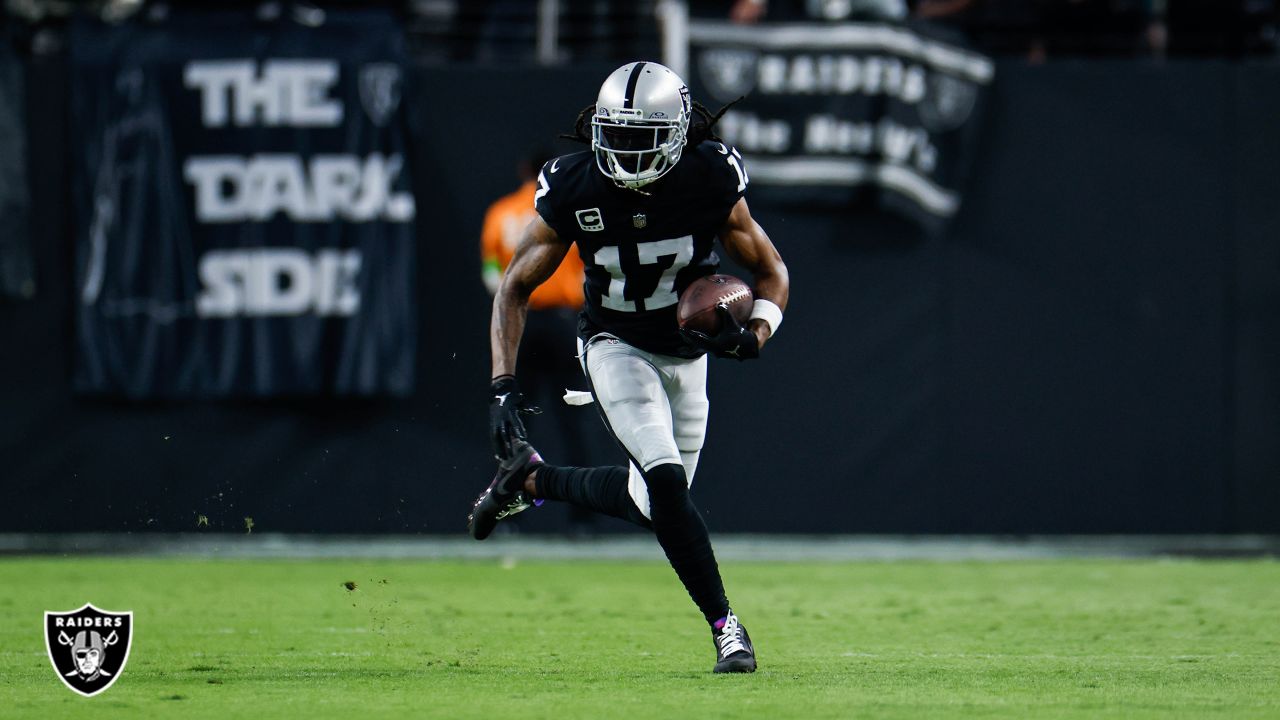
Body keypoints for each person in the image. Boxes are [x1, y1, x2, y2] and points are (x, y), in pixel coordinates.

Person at [467, 61, 789, 674]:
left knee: (653, 504)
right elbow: (512, 285)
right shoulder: (575, 185)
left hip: (686, 355)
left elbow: (773, 272)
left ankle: (529, 481)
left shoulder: (710, 176)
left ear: (674, 133)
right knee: (665, 483)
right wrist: (502, 387)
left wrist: (755, 333)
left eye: (641, 138)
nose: (624, 151)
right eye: (615, 134)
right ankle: (727, 627)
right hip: (615, 343)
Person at [479, 150, 601, 532]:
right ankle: (582, 518)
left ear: (522, 170)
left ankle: (505, 515)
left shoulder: (501, 212)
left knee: (512, 419)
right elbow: (590, 269)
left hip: (522, 322)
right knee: (575, 421)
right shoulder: (569, 208)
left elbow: (490, 272)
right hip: (565, 320)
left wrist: (508, 306)